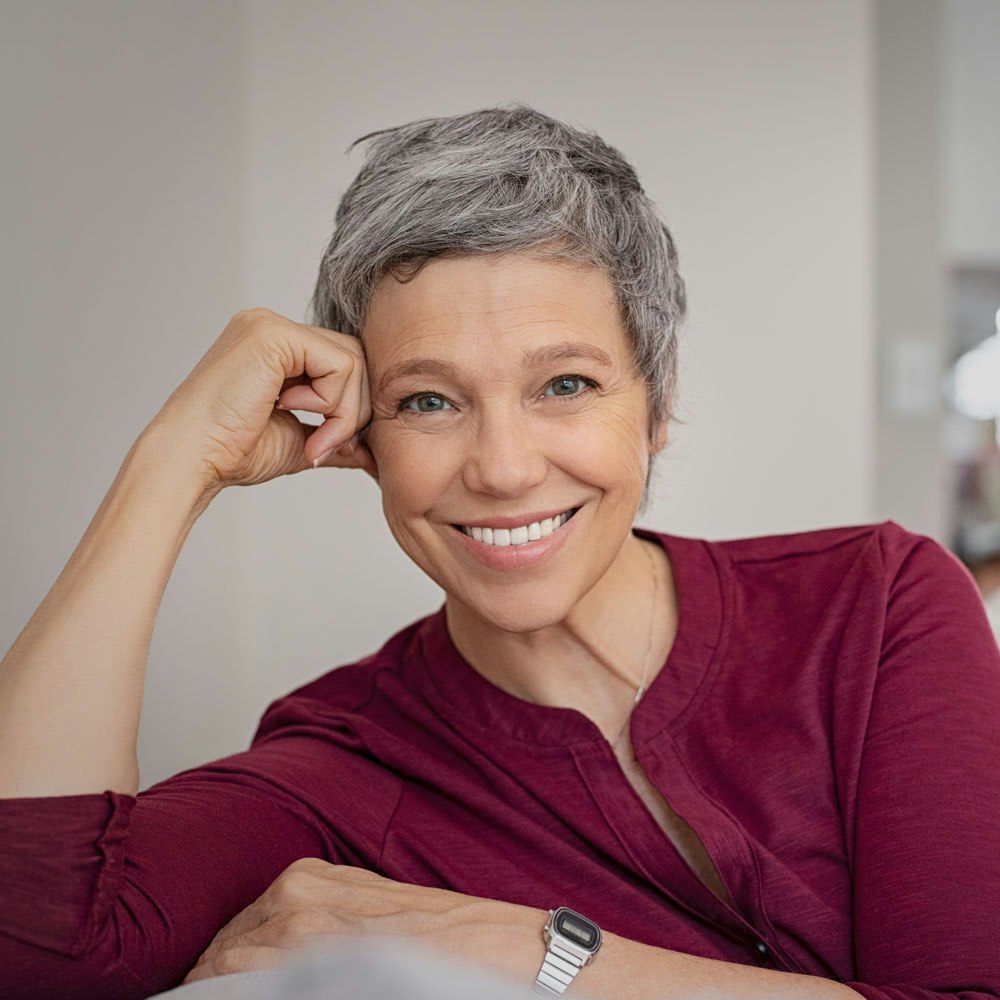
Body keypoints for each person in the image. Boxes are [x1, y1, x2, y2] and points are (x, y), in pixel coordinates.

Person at [1, 104, 998, 1000]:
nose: (505, 467)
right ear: (359, 437)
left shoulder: (875, 603)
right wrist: (176, 462)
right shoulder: (341, 758)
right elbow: (42, 956)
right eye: (427, 400)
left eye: (563, 384)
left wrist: (539, 951)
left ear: (653, 405)